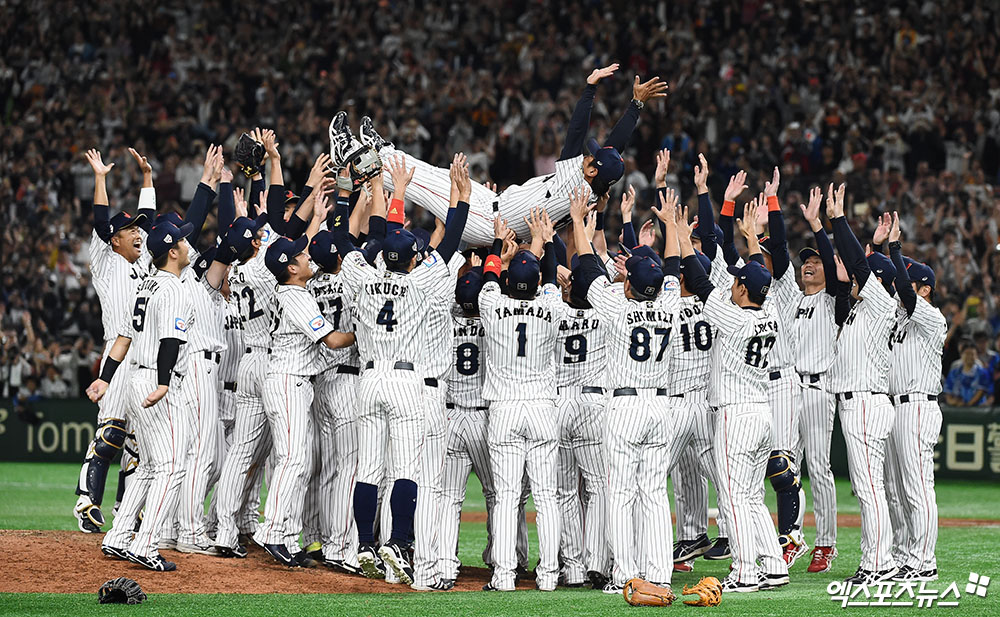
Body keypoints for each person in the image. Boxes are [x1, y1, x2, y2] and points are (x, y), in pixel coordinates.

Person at [331, 65, 667, 245]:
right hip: (493, 208)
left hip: (486, 221)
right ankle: (383, 151)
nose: (586, 155)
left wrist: (589, 88)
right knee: (435, 174)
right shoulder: (593, 187)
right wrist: (635, 105)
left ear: (592, 172)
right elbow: (615, 149)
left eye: (591, 159)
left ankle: (352, 157)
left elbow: (576, 133)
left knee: (419, 184)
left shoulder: (574, 185)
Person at [330, 158, 469, 585]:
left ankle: (366, 545)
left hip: (368, 380)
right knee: (405, 469)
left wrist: (350, 187)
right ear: (412, 260)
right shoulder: (422, 281)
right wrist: (458, 196)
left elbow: (344, 235)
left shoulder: (362, 275)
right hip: (407, 382)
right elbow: (449, 246)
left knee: (369, 468)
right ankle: (398, 543)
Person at [679, 195, 789, 593]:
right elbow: (760, 277)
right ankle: (774, 565)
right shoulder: (770, 312)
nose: (735, 285)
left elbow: (702, 282)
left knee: (735, 497)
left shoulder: (736, 318)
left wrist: (680, 236)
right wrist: (751, 241)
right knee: (752, 497)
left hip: (737, 415)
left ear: (742, 289)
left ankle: (745, 571)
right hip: (762, 414)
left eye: (739, 282)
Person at [252, 234, 357, 567]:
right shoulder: (295, 295)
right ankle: (272, 533)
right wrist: (370, 328)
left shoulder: (294, 291)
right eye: (301, 255)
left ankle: (285, 536)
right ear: (291, 267)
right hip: (288, 381)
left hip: (294, 380)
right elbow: (334, 340)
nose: (308, 256)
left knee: (300, 462)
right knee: (293, 460)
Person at [478, 209, 566, 592]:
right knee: (546, 496)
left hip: (505, 408)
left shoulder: (492, 304)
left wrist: (500, 245)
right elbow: (550, 276)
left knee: (506, 495)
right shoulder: (551, 305)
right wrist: (543, 241)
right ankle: (548, 576)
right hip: (542, 406)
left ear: (510, 280)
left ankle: (504, 575)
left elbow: (489, 274)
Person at [73, 147, 156, 533]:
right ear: (114, 240)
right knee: (111, 432)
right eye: (130, 231)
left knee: (138, 442)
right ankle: (87, 503)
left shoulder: (141, 262)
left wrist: (147, 179)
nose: (138, 233)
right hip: (117, 353)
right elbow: (99, 219)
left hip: (146, 355)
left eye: (137, 230)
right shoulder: (105, 261)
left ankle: (127, 508)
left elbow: (151, 221)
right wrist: (101, 178)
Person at [826, 183, 900, 585]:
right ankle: (879, 559)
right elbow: (857, 268)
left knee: (870, 489)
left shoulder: (880, 303)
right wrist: (875, 245)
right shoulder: (864, 308)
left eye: (865, 276)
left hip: (867, 405)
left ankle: (878, 563)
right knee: (870, 488)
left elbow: (857, 263)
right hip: (863, 403)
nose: (857, 278)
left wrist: (838, 219)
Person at [879, 213, 947, 583]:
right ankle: (906, 554)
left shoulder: (932, 317)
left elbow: (902, 289)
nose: (899, 284)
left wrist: (893, 247)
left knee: (917, 486)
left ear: (924, 289)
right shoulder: (899, 318)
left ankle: (925, 560)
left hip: (919, 406)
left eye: (908, 279)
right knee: (894, 489)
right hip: (894, 406)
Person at [792, 187, 840, 574]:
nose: (808, 265)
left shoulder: (833, 300)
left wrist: (817, 226)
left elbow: (829, 259)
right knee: (784, 466)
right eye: (804, 261)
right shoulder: (792, 299)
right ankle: (792, 537)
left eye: (816, 261)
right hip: (790, 388)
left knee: (819, 467)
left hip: (821, 388)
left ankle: (826, 543)